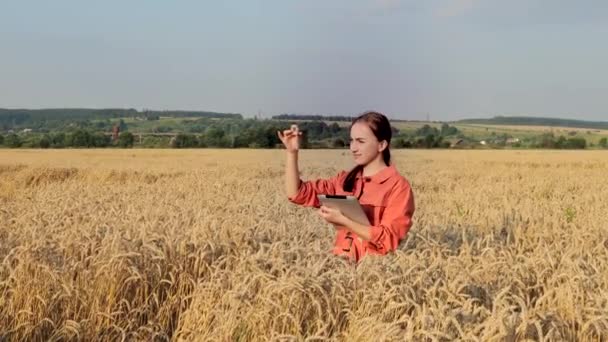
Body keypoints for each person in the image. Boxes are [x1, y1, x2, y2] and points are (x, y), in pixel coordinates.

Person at [278, 111, 415, 262]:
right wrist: (292, 153)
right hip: (339, 266)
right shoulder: (344, 180)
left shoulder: (398, 187)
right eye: (352, 140)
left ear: (381, 145)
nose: (353, 148)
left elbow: (388, 240)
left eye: (361, 141)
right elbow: (297, 194)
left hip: (373, 275)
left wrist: (345, 221)